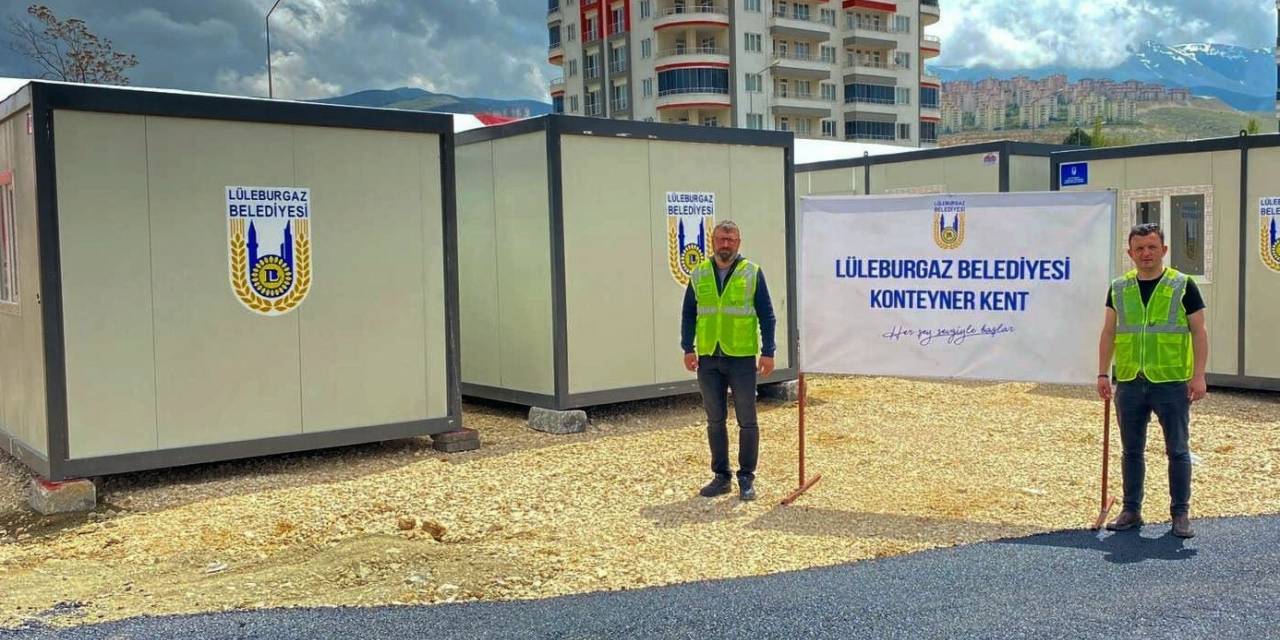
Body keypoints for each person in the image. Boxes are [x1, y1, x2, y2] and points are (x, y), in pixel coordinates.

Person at [1097, 223, 1208, 538]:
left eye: (1152, 247)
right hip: (1131, 381)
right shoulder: (1119, 287)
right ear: (1130, 252)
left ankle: (1180, 514)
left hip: (1171, 382)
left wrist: (1199, 375)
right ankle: (1131, 510)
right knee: (1131, 450)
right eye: (1140, 248)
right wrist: (1103, 372)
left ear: (1164, 250)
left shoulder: (1183, 285)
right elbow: (1109, 332)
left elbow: (1199, 331)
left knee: (1177, 450)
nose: (1146, 254)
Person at [681, 220, 777, 501]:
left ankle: (746, 477)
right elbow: (689, 314)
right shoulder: (699, 273)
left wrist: (768, 351)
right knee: (715, 420)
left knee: (747, 420)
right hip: (709, 357)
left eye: (731, 239)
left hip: (741, 357)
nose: (726, 243)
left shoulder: (752, 273)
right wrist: (688, 347)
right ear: (712, 241)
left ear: (739, 242)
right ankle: (721, 477)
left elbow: (767, 315)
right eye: (721, 239)